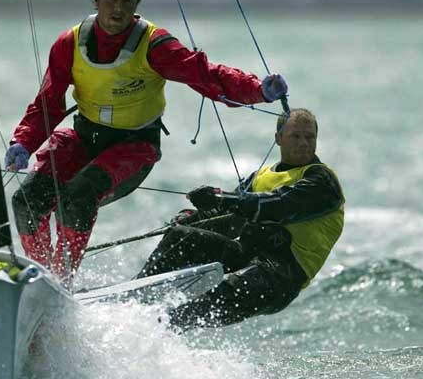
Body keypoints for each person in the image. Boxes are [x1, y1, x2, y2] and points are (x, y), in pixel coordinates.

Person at [6, 0, 288, 281]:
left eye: (128, 1)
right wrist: (23, 142)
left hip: (134, 148)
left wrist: (258, 90)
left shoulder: (154, 44)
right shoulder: (69, 44)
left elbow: (205, 75)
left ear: (136, 5)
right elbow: (48, 102)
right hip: (84, 140)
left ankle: (59, 281)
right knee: (26, 200)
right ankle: (42, 275)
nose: (119, 8)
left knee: (77, 198)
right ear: (96, 0)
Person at [136, 108, 345, 331]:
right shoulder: (260, 177)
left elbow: (277, 205)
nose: (304, 143)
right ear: (278, 138)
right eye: (296, 136)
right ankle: (135, 295)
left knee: (205, 302)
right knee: (181, 236)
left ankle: (154, 329)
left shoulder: (322, 180)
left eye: (310, 136)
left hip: (279, 276)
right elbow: (229, 218)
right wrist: (190, 218)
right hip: (243, 255)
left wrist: (220, 197)